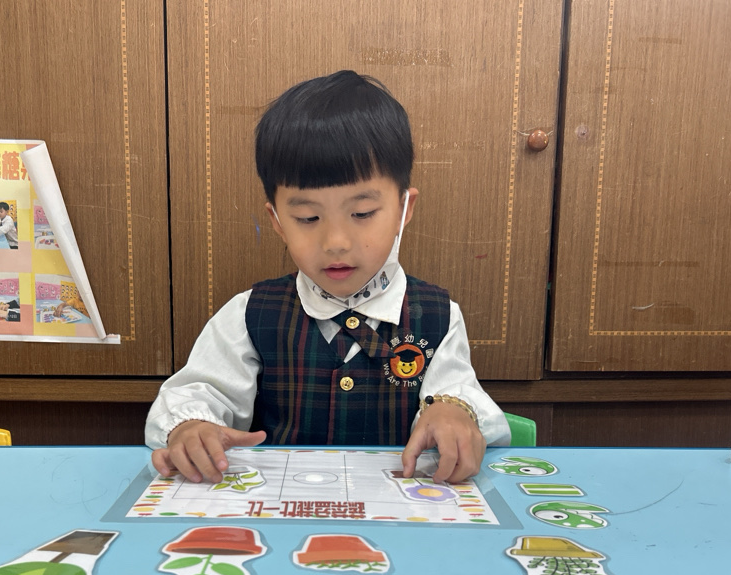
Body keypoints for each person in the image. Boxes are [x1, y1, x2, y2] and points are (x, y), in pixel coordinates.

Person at [145, 70, 510, 485]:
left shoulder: (438, 316)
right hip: (280, 508)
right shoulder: (249, 314)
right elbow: (199, 394)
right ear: (277, 220)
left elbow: (460, 395)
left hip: (399, 509)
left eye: (362, 213)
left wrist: (452, 412)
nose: (336, 242)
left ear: (403, 211)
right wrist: (191, 428)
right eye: (308, 217)